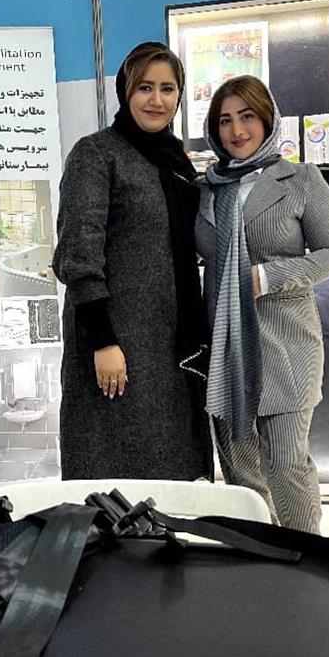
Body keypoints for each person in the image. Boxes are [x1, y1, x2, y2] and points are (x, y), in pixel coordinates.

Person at [52, 42, 212, 480]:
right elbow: (77, 255)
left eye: (167, 88)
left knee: (172, 465)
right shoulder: (96, 154)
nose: (156, 100)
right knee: (114, 465)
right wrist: (103, 342)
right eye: (145, 87)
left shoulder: (177, 163)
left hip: (169, 340)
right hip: (116, 341)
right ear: (126, 90)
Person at [196, 75, 329, 533]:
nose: (236, 130)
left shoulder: (300, 178)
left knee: (286, 466)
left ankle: (310, 560)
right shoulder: (207, 188)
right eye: (224, 120)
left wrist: (269, 275)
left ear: (266, 119)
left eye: (246, 117)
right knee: (242, 475)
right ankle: (262, 560)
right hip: (225, 351)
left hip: (286, 346)